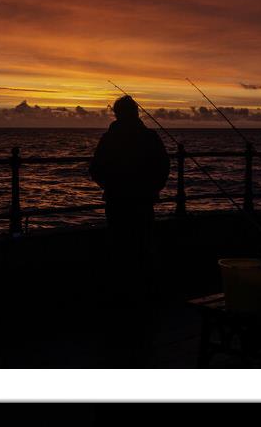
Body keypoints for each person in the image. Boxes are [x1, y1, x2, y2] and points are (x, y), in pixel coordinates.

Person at [89, 94, 170, 366]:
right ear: (136, 113)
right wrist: (152, 188)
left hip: (118, 200)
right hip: (143, 200)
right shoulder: (150, 138)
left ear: (116, 114)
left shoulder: (109, 139)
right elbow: (164, 166)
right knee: (143, 245)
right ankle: (145, 296)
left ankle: (122, 298)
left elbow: (95, 169)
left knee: (120, 246)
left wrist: (112, 185)